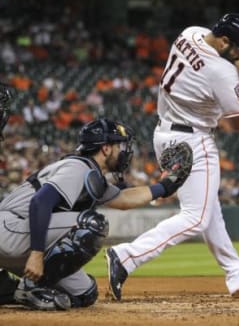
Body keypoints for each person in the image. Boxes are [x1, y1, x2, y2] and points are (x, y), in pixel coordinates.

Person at [106, 13, 239, 299]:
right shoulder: (222, 72)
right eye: (238, 48)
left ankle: (238, 276)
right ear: (224, 41)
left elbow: (237, 59)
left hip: (165, 135)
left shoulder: (192, 32)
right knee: (196, 218)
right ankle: (127, 256)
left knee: (210, 212)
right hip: (194, 141)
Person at [0, 118, 190, 310]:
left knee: (85, 293)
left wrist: (166, 186)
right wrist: (37, 253)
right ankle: (31, 286)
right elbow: (40, 202)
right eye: (120, 145)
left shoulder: (92, 175)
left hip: (22, 239)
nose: (124, 151)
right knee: (91, 224)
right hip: (10, 229)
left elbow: (124, 199)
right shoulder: (78, 167)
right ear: (106, 148)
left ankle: (7, 290)